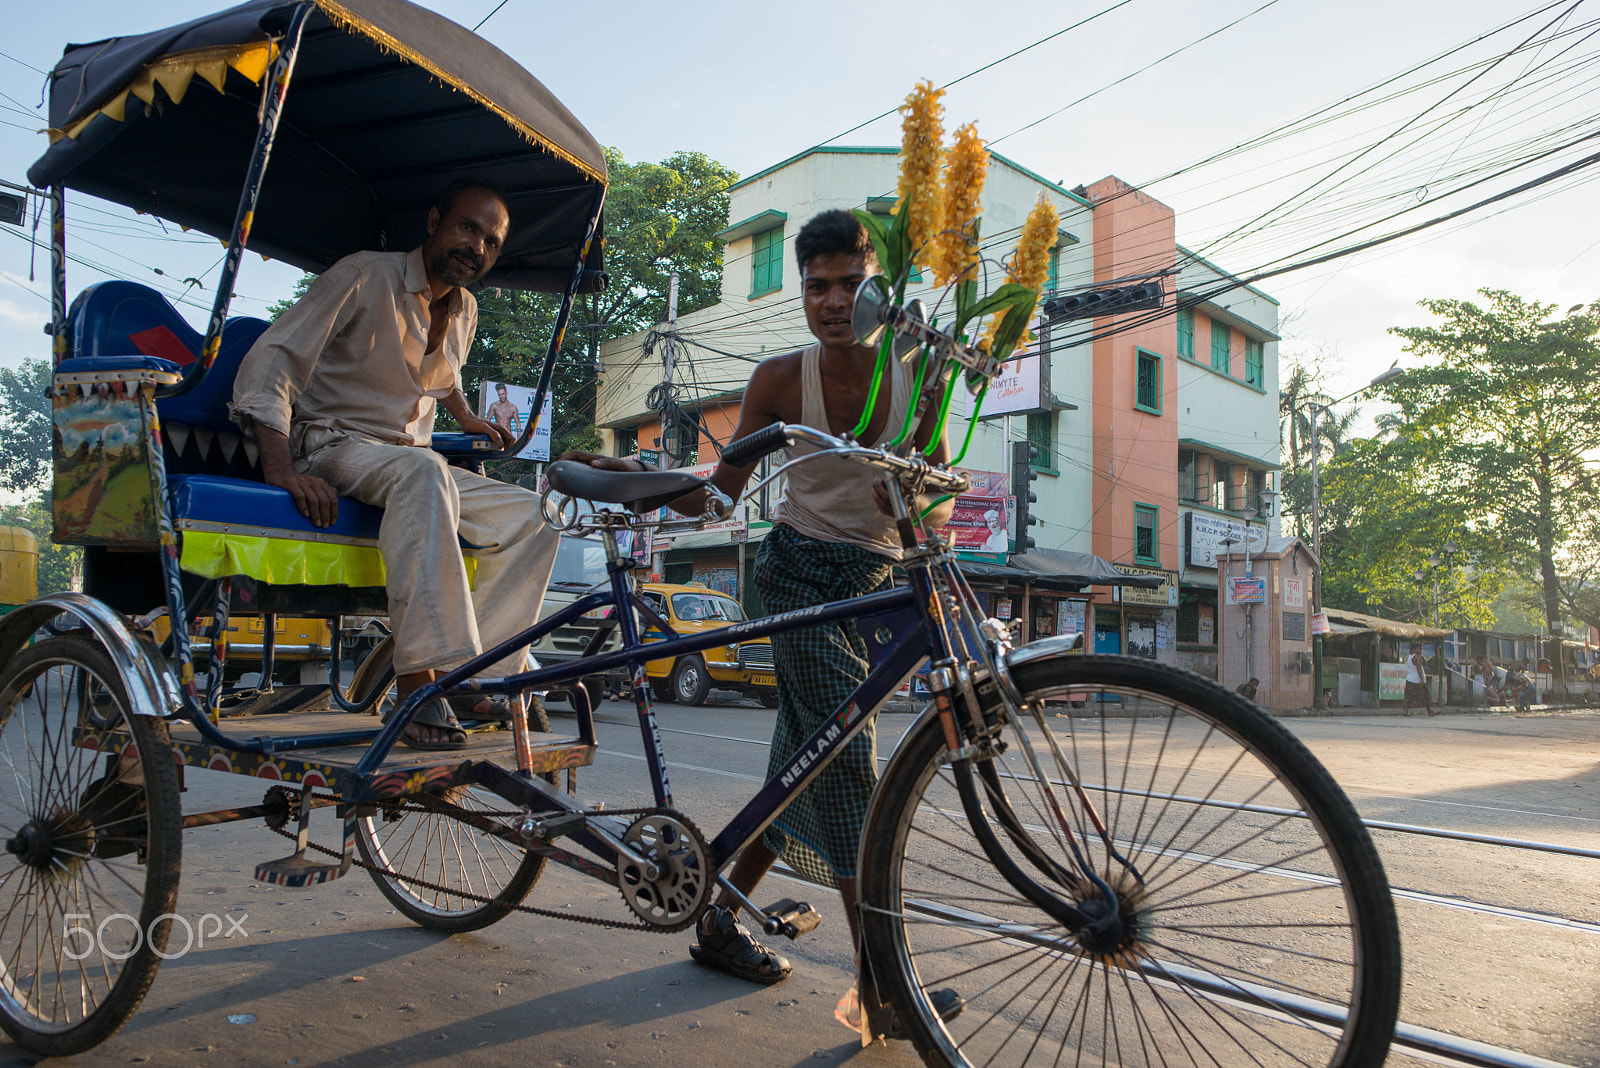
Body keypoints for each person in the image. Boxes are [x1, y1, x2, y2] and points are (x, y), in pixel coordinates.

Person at [564, 209, 959, 1035]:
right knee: (850, 764)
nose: (833, 300)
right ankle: (879, 982)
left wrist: (921, 495)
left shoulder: (916, 369)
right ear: (803, 293)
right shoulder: (782, 380)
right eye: (818, 286)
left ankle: (712, 913)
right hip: (799, 578)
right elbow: (723, 488)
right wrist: (637, 475)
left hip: (878, 583)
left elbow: (935, 477)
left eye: (851, 283)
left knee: (803, 768)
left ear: (879, 288)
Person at [231, 178, 554, 748]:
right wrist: (280, 469)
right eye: (466, 228)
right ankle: (417, 680)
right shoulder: (364, 275)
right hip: (334, 444)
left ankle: (471, 675)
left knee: (537, 515)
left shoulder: (466, 310)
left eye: (491, 242)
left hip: (408, 459)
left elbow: (439, 374)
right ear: (433, 222)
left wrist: (467, 417)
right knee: (424, 473)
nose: (476, 247)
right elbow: (272, 363)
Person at [1402, 648, 1436, 716]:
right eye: (1418, 649)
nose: (1420, 651)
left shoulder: (1410, 657)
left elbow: (1424, 663)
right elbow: (1419, 668)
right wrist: (1421, 679)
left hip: (1410, 679)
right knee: (1426, 695)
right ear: (1414, 650)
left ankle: (1405, 711)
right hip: (1417, 680)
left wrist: (1422, 658)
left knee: (1408, 696)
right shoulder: (1417, 657)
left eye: (1421, 649)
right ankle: (1429, 711)